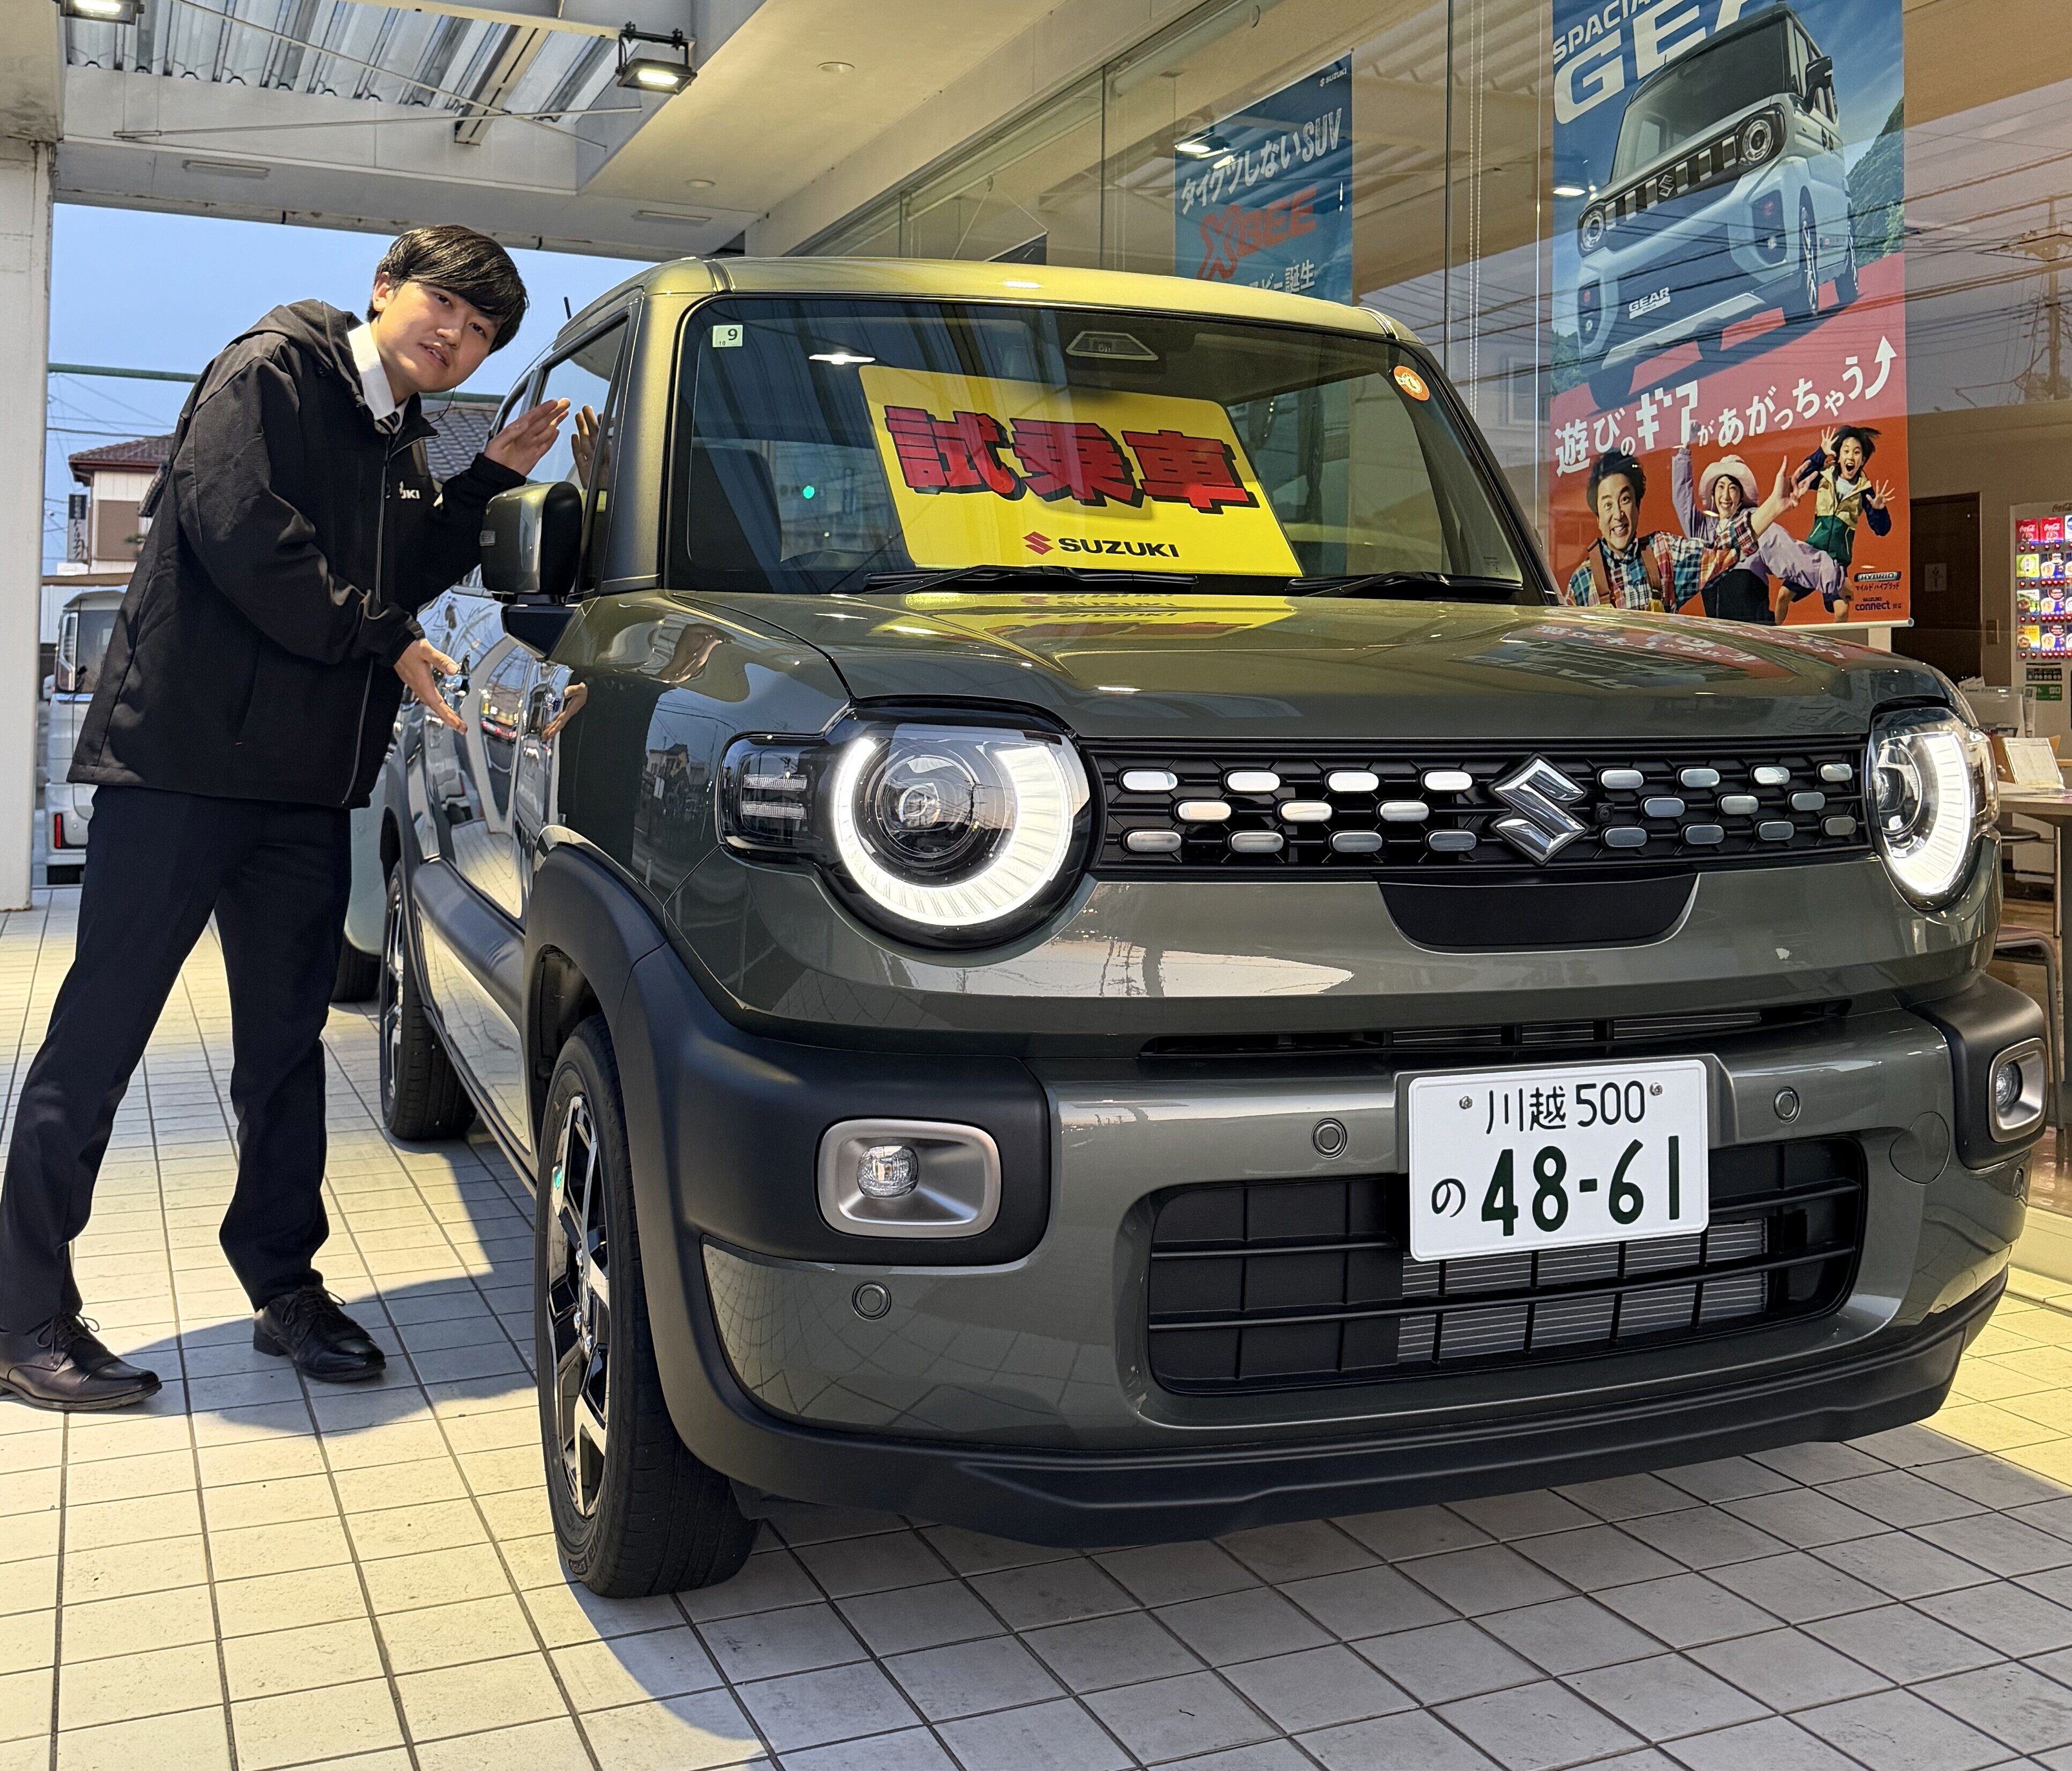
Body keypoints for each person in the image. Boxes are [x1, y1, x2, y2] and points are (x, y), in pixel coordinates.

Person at [0, 226, 569, 1410]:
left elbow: (400, 570)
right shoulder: (273, 369)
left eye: (480, 333)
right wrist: (381, 635)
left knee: (285, 1048)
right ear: (385, 287)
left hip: (302, 785)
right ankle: (21, 1312)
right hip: (181, 765)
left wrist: (484, 481)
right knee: (99, 1035)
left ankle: (283, 1283)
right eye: (445, 307)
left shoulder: (400, 436)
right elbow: (237, 528)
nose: (455, 337)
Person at [1668, 446, 1831, 624]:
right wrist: (1684, 452)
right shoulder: (1704, 532)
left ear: (1741, 496)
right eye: (1721, 487)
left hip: (1756, 632)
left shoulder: (1755, 526)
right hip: (1720, 634)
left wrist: (1832, 576)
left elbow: (1795, 558)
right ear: (1713, 494)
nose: (1726, 496)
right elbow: (1681, 500)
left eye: (1733, 488)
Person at [1562, 449, 1707, 611]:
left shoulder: (1664, 552)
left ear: (1637, 505)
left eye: (1625, 499)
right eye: (1608, 505)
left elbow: (1720, 551)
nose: (1618, 515)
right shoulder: (1582, 581)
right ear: (1598, 517)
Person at [1780, 425, 1895, 622]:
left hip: (1837, 561)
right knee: (1783, 596)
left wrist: (1878, 510)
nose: (1851, 456)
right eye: (1846, 451)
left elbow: (1882, 529)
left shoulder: (1865, 491)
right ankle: (1774, 634)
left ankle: (1837, 642)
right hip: (1811, 553)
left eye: (1857, 453)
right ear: (1839, 456)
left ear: (1863, 460)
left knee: (1841, 611)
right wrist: (1821, 453)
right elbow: (1801, 477)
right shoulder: (1824, 475)